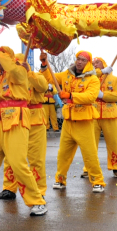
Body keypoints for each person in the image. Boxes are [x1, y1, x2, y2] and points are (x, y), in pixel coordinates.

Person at [0, 43, 47, 216]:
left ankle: (37, 201)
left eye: (1, 57)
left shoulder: (20, 72)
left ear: (9, 58)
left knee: (18, 164)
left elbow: (14, 71)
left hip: (17, 119)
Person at [40, 51, 106, 193]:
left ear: (87, 63)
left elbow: (90, 97)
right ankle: (60, 179)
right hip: (68, 122)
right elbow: (49, 78)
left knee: (90, 155)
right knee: (63, 154)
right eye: (78, 59)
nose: (79, 62)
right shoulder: (66, 74)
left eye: (83, 60)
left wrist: (70, 95)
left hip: (84, 122)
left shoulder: (93, 79)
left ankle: (98, 181)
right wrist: (44, 64)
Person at [0, 53, 49, 200]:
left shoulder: (35, 75)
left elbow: (43, 86)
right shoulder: (9, 79)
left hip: (35, 120)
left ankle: (39, 191)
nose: (18, 67)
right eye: (16, 64)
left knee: (36, 158)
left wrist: (29, 73)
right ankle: (9, 188)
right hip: (16, 119)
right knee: (11, 157)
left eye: (20, 64)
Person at [82, 57, 117, 179]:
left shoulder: (115, 80)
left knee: (113, 142)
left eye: (97, 62)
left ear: (103, 64)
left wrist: (102, 95)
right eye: (93, 63)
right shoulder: (90, 79)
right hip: (93, 114)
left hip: (110, 114)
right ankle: (88, 168)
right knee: (90, 143)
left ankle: (116, 167)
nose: (95, 65)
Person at [40, 57, 60, 132]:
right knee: (45, 115)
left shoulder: (52, 83)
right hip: (44, 101)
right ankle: (46, 127)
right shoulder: (41, 83)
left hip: (51, 102)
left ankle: (55, 128)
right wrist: (45, 88)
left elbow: (55, 92)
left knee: (53, 116)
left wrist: (51, 89)